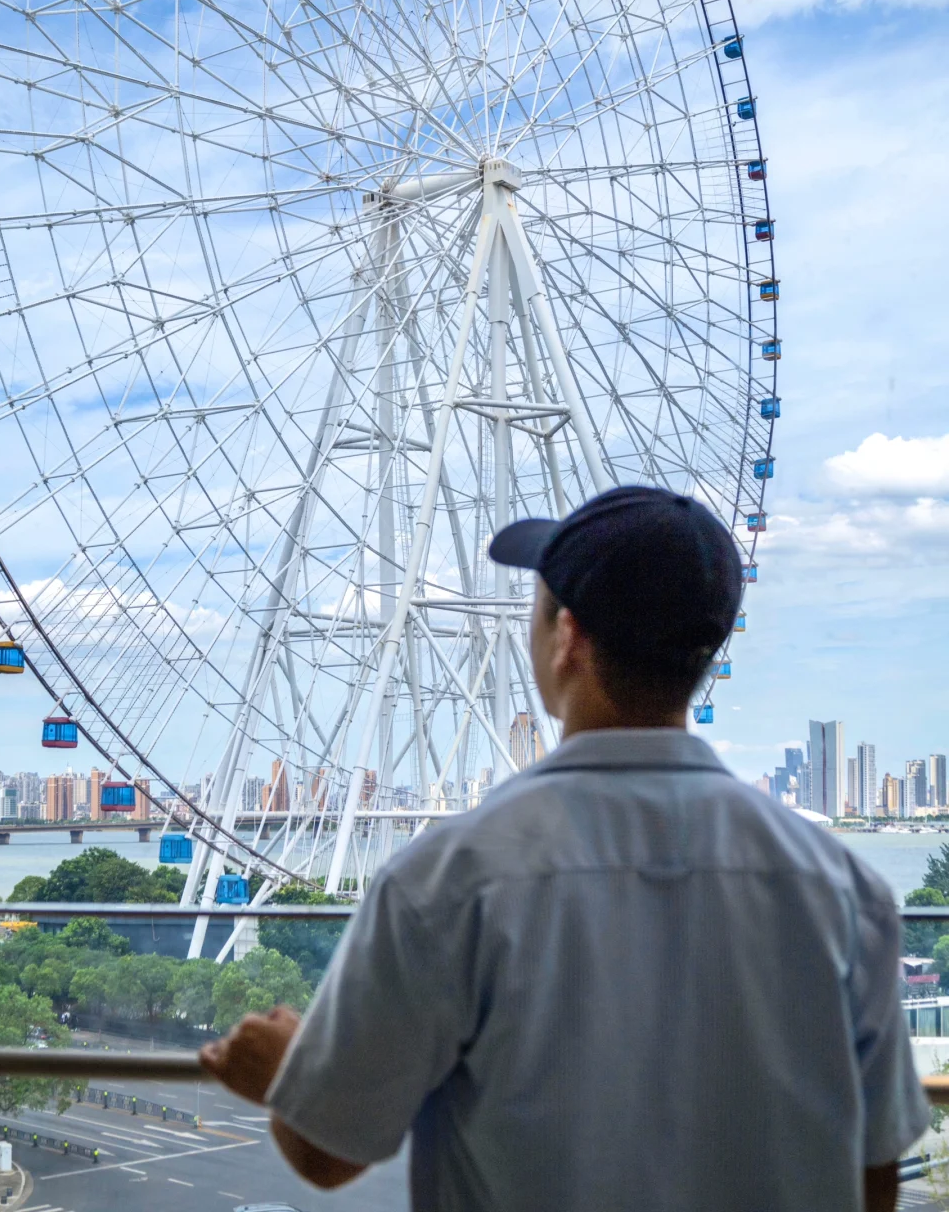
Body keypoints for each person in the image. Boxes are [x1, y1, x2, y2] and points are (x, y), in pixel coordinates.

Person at [201, 486, 929, 1210]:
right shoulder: (844, 888)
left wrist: (289, 1074)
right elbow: (874, 1176)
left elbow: (330, 1152)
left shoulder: (445, 880)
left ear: (566, 637)